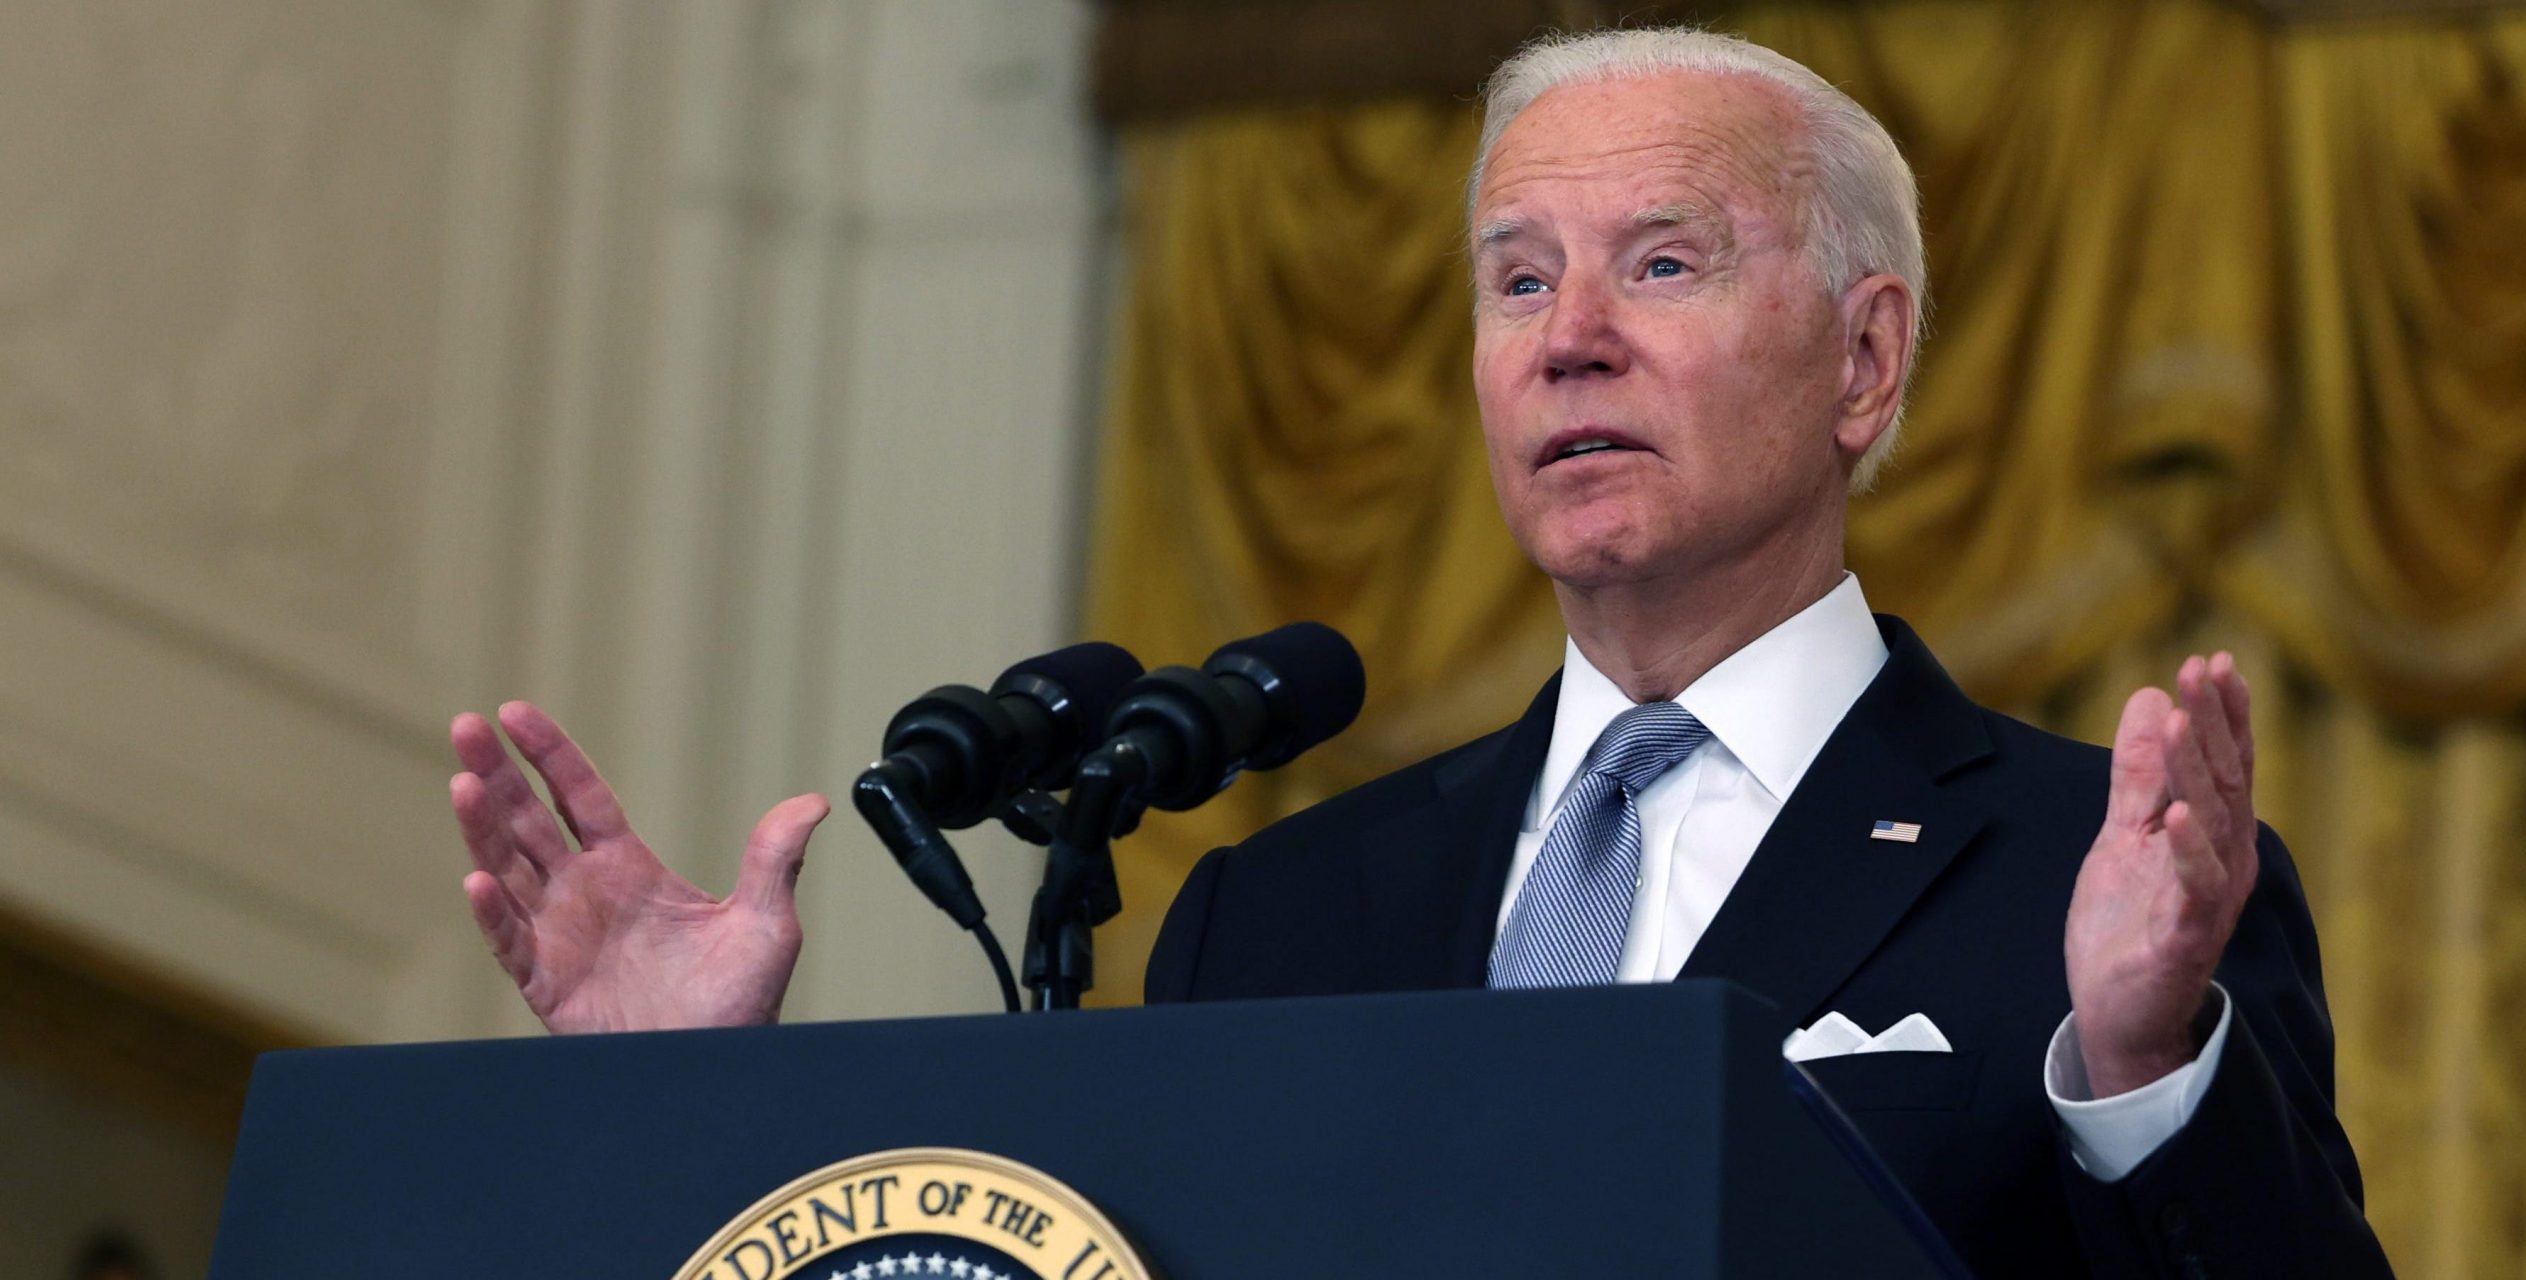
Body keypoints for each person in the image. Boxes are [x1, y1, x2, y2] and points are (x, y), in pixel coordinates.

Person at [446, 27, 2388, 1277]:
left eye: (1660, 262)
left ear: (1862, 362)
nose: (1568, 338)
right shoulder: (1273, 919)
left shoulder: (2082, 889)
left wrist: (2136, 1066)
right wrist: (676, 1121)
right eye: (1515, 278)